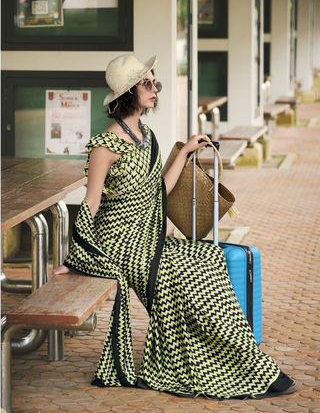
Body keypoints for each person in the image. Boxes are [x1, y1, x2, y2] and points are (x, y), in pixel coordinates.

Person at [52, 54, 297, 399]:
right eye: (147, 83)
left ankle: (241, 360)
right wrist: (76, 256)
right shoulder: (104, 146)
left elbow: (157, 192)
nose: (156, 89)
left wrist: (183, 152)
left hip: (149, 237)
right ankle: (229, 364)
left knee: (207, 260)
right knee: (179, 275)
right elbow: (91, 202)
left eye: (156, 82)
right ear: (127, 93)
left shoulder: (146, 135)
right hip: (120, 244)